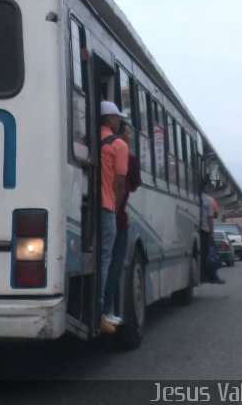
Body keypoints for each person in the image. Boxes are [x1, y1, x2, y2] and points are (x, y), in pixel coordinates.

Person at [103, 121, 141, 327]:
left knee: (104, 263)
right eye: (127, 132)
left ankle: (103, 308)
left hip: (101, 212)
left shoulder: (95, 146)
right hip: (115, 215)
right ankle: (105, 309)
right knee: (113, 265)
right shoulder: (126, 155)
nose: (129, 137)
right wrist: (116, 208)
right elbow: (130, 184)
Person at [98, 100, 129, 334]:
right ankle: (101, 311)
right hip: (107, 207)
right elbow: (120, 182)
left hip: (85, 210)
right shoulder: (119, 145)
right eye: (117, 117)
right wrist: (117, 208)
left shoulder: (87, 139)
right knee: (105, 260)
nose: (119, 121)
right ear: (109, 119)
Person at [200, 180, 225, 284]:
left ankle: (206, 275)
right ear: (205, 187)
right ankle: (210, 275)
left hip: (195, 228)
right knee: (208, 255)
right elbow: (210, 218)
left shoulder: (192, 197)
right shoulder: (209, 200)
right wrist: (212, 232)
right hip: (204, 231)